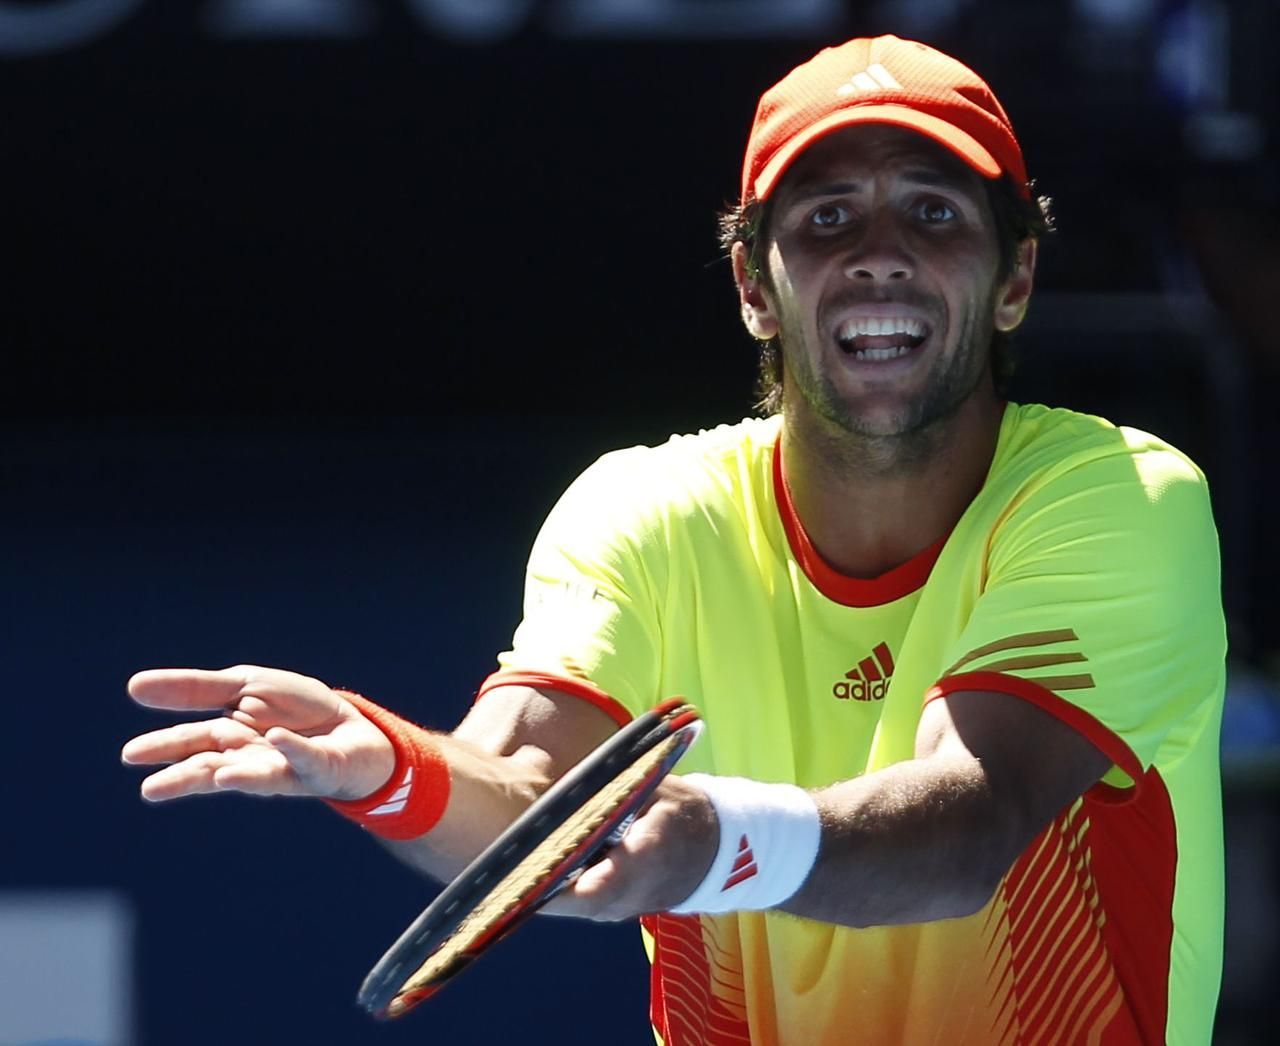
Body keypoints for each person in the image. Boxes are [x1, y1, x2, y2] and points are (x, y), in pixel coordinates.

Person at [121, 35, 1226, 1045]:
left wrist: (713, 839)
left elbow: (971, 820)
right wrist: (390, 766)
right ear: (754, 285)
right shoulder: (643, 514)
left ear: (1013, 280)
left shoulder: (1121, 496)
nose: (879, 254)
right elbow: (523, 790)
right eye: (826, 216)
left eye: (932, 212)